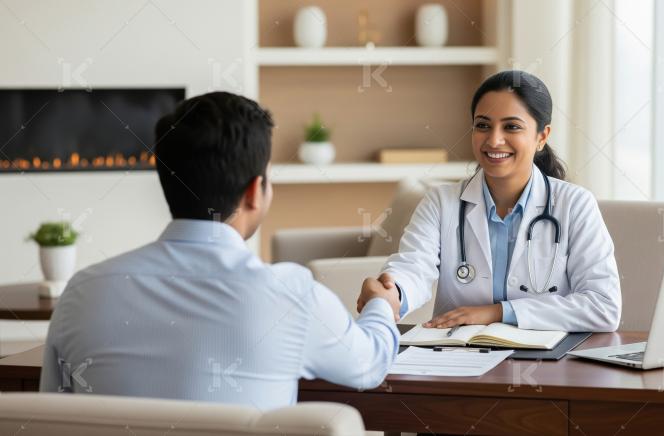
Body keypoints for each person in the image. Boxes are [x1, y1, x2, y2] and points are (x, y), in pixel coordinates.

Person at [40, 92, 400, 410]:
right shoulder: (292, 295)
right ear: (254, 191)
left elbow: (49, 418)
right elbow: (369, 364)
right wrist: (381, 304)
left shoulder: (82, 293)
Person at [357, 70, 621, 332]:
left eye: (511, 127)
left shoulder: (575, 205)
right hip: (457, 357)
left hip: (547, 362)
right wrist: (391, 294)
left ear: (542, 136)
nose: (494, 140)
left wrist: (499, 312)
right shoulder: (441, 202)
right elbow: (414, 266)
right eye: (483, 125)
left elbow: (603, 305)